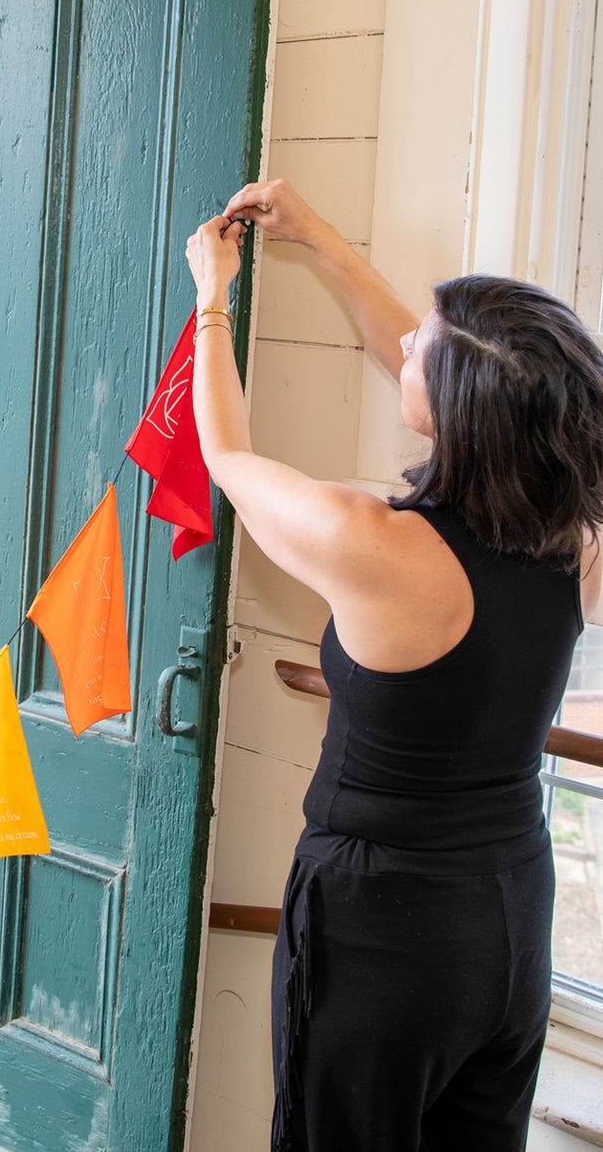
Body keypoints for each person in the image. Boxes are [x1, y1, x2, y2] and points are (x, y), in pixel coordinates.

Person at [184, 177, 603, 1152]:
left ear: (456, 404)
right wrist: (318, 235)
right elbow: (439, 364)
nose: (403, 340)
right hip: (507, 912)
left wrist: (213, 293)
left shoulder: (367, 541)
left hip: (381, 927)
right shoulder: (576, 532)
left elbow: (227, 454)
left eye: (424, 343)